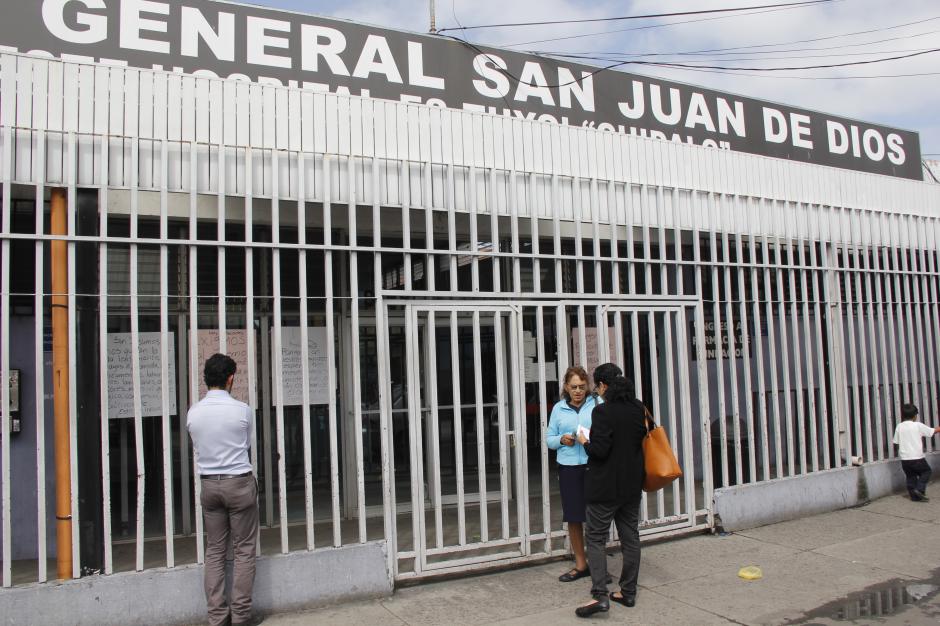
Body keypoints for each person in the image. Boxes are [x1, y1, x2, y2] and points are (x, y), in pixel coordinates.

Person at [187, 354, 260, 626]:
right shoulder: (242, 410)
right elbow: (247, 444)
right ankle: (241, 615)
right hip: (238, 481)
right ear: (230, 378)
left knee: (215, 550)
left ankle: (217, 617)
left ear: (207, 379)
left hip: (209, 484)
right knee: (243, 549)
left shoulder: (193, 412)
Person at [575, 368, 647, 618]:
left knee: (595, 538)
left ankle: (599, 595)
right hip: (631, 487)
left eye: (597, 386)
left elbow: (600, 451)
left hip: (605, 488)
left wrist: (585, 441)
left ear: (604, 386)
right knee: (631, 537)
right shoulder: (638, 408)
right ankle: (628, 591)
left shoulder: (602, 411)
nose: (597, 391)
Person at [545, 365, 596, 582]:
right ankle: (581, 563)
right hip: (568, 467)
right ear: (566, 386)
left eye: (582, 387)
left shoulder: (597, 404)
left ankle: (598, 564)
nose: (577, 391)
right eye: (573, 387)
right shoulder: (558, 408)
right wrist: (561, 440)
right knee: (574, 517)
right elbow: (549, 439)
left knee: (596, 516)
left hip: (593, 464)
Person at [892, 403, 940, 502]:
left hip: (905, 459)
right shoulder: (918, 425)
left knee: (911, 477)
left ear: (903, 415)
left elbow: (896, 442)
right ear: (915, 415)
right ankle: (919, 489)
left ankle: (914, 497)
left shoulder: (899, 426)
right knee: (926, 471)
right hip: (917, 457)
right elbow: (932, 431)